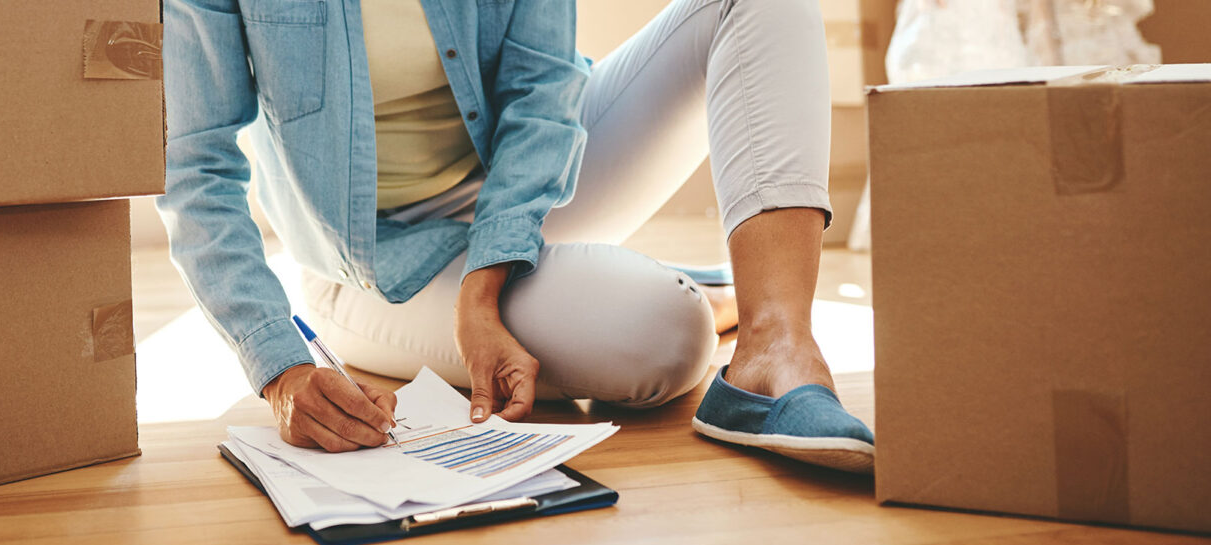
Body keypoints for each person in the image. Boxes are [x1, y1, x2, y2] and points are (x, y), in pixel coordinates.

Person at [160, 0, 875, 472]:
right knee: (669, 333)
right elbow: (194, 166)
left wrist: (485, 284)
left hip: (525, 173)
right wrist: (280, 371)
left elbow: (542, 83)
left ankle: (773, 351)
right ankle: (699, 294)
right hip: (375, 259)